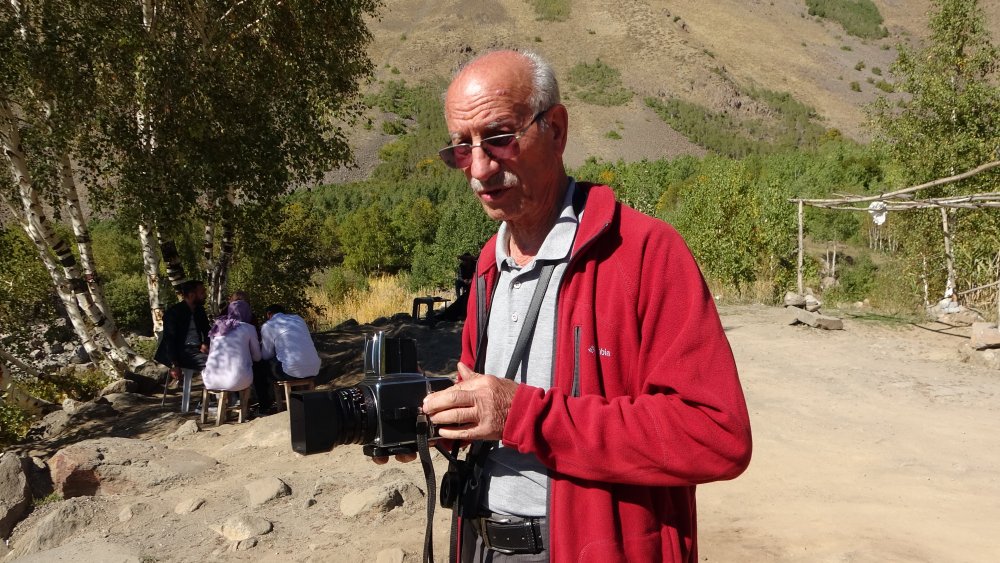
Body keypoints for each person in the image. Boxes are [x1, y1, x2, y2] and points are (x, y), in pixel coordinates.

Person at [398, 50, 752, 562]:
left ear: (557, 129)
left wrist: (523, 414)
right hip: (482, 545)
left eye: (499, 137)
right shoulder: (486, 266)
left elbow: (718, 435)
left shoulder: (645, 252)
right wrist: (443, 422)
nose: (478, 168)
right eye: (460, 147)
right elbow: (490, 411)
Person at [253, 304, 322, 412]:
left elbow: (266, 355)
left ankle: (265, 405)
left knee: (260, 366)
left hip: (290, 371)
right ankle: (295, 397)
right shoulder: (298, 319)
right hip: (314, 368)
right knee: (287, 360)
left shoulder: (268, 325)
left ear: (268, 314)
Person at [154, 280, 210, 381]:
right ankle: (222, 394)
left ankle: (225, 394)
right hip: (181, 353)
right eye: (202, 292)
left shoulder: (199, 310)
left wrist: (205, 343)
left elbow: (207, 330)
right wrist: (174, 364)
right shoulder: (173, 313)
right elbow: (169, 340)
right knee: (214, 363)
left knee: (226, 357)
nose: (205, 295)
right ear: (192, 295)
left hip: (196, 349)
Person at [201, 300, 261, 392]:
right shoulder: (248, 328)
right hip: (239, 381)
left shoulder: (216, 327)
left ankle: (232, 400)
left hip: (210, 381)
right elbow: (257, 357)